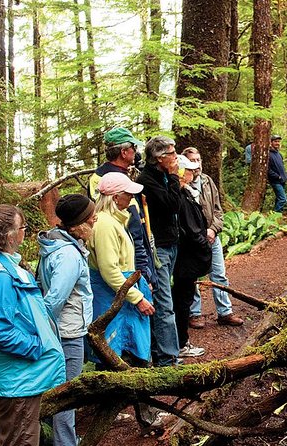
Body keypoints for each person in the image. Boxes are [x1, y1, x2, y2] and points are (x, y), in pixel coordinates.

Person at [0, 204, 65, 446]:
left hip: (22, 377)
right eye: (22, 227)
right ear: (11, 235)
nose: (26, 231)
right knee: (21, 441)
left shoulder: (7, 265)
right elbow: (1, 331)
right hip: (18, 379)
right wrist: (37, 347)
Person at [37, 194, 96, 446]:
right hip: (67, 334)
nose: (95, 218)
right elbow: (53, 300)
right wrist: (49, 334)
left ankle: (62, 440)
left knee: (57, 393)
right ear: (77, 225)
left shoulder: (57, 244)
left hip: (64, 332)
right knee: (67, 397)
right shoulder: (69, 256)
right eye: (90, 216)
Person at [87, 173, 155, 367]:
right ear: (116, 197)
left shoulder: (114, 220)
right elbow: (109, 271)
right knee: (113, 352)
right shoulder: (105, 225)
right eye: (128, 194)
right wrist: (137, 298)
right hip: (113, 296)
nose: (132, 198)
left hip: (122, 293)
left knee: (127, 350)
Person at [181, 147, 244, 328]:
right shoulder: (183, 184)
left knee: (219, 275)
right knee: (194, 277)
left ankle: (225, 312)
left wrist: (213, 230)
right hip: (193, 241)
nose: (197, 164)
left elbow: (218, 210)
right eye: (192, 161)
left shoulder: (208, 181)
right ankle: (194, 313)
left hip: (212, 237)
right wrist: (200, 234)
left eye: (199, 160)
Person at [88, 127, 157, 291]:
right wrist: (143, 272)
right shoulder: (102, 179)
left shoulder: (125, 174)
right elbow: (117, 221)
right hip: (123, 260)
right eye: (134, 148)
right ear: (124, 152)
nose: (136, 152)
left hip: (137, 251)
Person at [135, 136, 183, 366]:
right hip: (158, 249)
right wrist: (175, 177)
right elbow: (172, 204)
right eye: (172, 153)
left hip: (171, 243)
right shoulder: (147, 180)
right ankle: (167, 358)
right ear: (159, 158)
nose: (176, 157)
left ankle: (163, 351)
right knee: (164, 303)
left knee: (166, 298)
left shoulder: (163, 176)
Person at [172, 155, 211, 358]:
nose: (192, 172)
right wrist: (205, 248)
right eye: (188, 169)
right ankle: (180, 343)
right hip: (185, 259)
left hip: (187, 258)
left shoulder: (185, 192)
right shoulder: (179, 196)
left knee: (183, 299)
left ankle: (180, 341)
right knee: (181, 300)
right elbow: (192, 230)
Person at [268, 134, 287, 212]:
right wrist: (277, 176)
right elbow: (268, 169)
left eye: (278, 141)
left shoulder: (279, 154)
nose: (277, 143)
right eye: (275, 141)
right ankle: (275, 216)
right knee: (283, 199)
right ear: (271, 142)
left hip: (282, 180)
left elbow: (281, 167)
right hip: (275, 181)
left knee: (279, 198)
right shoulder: (268, 154)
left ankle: (278, 215)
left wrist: (285, 176)